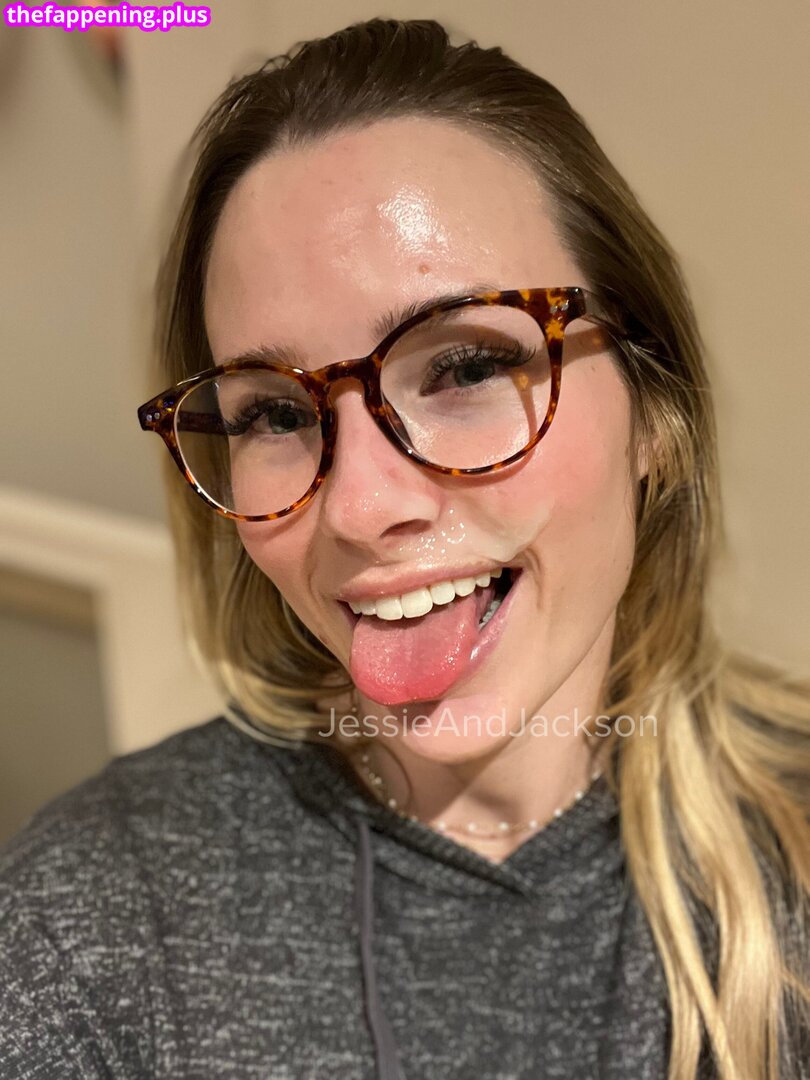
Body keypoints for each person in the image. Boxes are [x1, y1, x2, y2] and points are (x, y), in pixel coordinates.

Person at [1, 17, 807, 1080]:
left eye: (467, 366)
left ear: (653, 412)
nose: (360, 506)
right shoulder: (89, 931)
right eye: (275, 415)